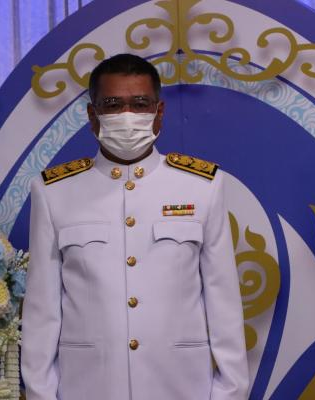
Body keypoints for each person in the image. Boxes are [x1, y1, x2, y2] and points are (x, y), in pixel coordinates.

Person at [21, 53, 249, 400]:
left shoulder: (202, 186)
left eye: (140, 104)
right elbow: (42, 312)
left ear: (159, 113)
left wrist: (230, 392)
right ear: (92, 116)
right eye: (112, 105)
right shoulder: (54, 191)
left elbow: (224, 306)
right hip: (89, 388)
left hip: (181, 387)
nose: (127, 116)